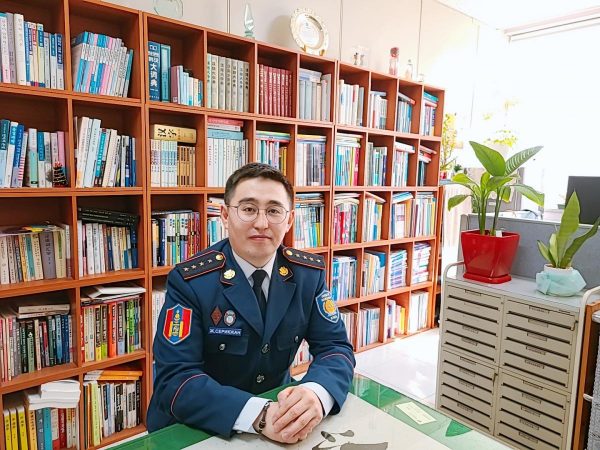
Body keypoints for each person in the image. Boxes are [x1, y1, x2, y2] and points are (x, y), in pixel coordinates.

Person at [147, 163, 356, 444]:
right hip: (199, 426)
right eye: (248, 209)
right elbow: (174, 379)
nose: (261, 223)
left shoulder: (308, 275)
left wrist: (316, 393)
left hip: (279, 420)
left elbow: (335, 347)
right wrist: (258, 414)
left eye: (274, 211)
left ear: (289, 220)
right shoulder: (191, 281)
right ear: (225, 215)